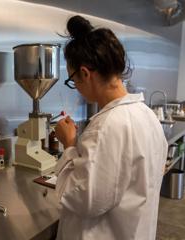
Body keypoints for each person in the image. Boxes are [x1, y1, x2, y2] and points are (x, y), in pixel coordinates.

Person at [54, 15, 168, 240]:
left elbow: (82, 199)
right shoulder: (147, 115)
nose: (76, 87)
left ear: (85, 73)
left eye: (73, 80)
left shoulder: (106, 127)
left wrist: (68, 146)